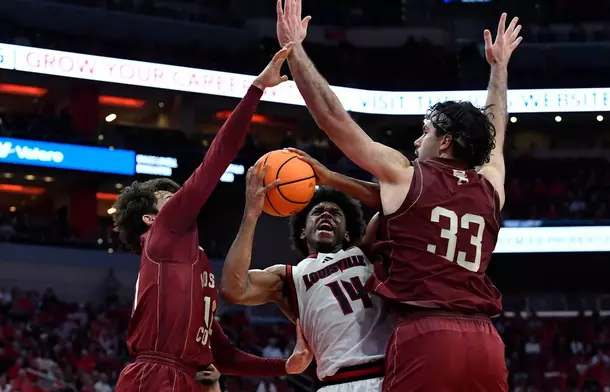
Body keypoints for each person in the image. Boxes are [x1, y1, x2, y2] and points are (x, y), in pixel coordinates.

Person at [276, 2, 522, 390]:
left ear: (444, 143)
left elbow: (333, 119)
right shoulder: (491, 184)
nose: (416, 138)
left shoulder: (407, 175)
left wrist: (295, 50)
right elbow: (494, 134)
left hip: (426, 336)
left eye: (424, 131)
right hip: (485, 344)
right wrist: (499, 69)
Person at [112, 45, 312, 392]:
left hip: (183, 378)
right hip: (154, 377)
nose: (179, 199)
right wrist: (256, 90)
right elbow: (216, 159)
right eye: (168, 197)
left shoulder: (194, 262)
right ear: (149, 218)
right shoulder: (166, 230)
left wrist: (285, 366)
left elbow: (223, 355)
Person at [220, 164, 391, 392]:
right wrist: (251, 214)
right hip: (337, 382)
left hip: (392, 373)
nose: (327, 214)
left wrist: (330, 176)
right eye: (318, 212)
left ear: (348, 232)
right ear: (303, 230)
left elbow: (393, 201)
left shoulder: (365, 251)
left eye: (335, 213)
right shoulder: (290, 276)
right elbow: (233, 288)